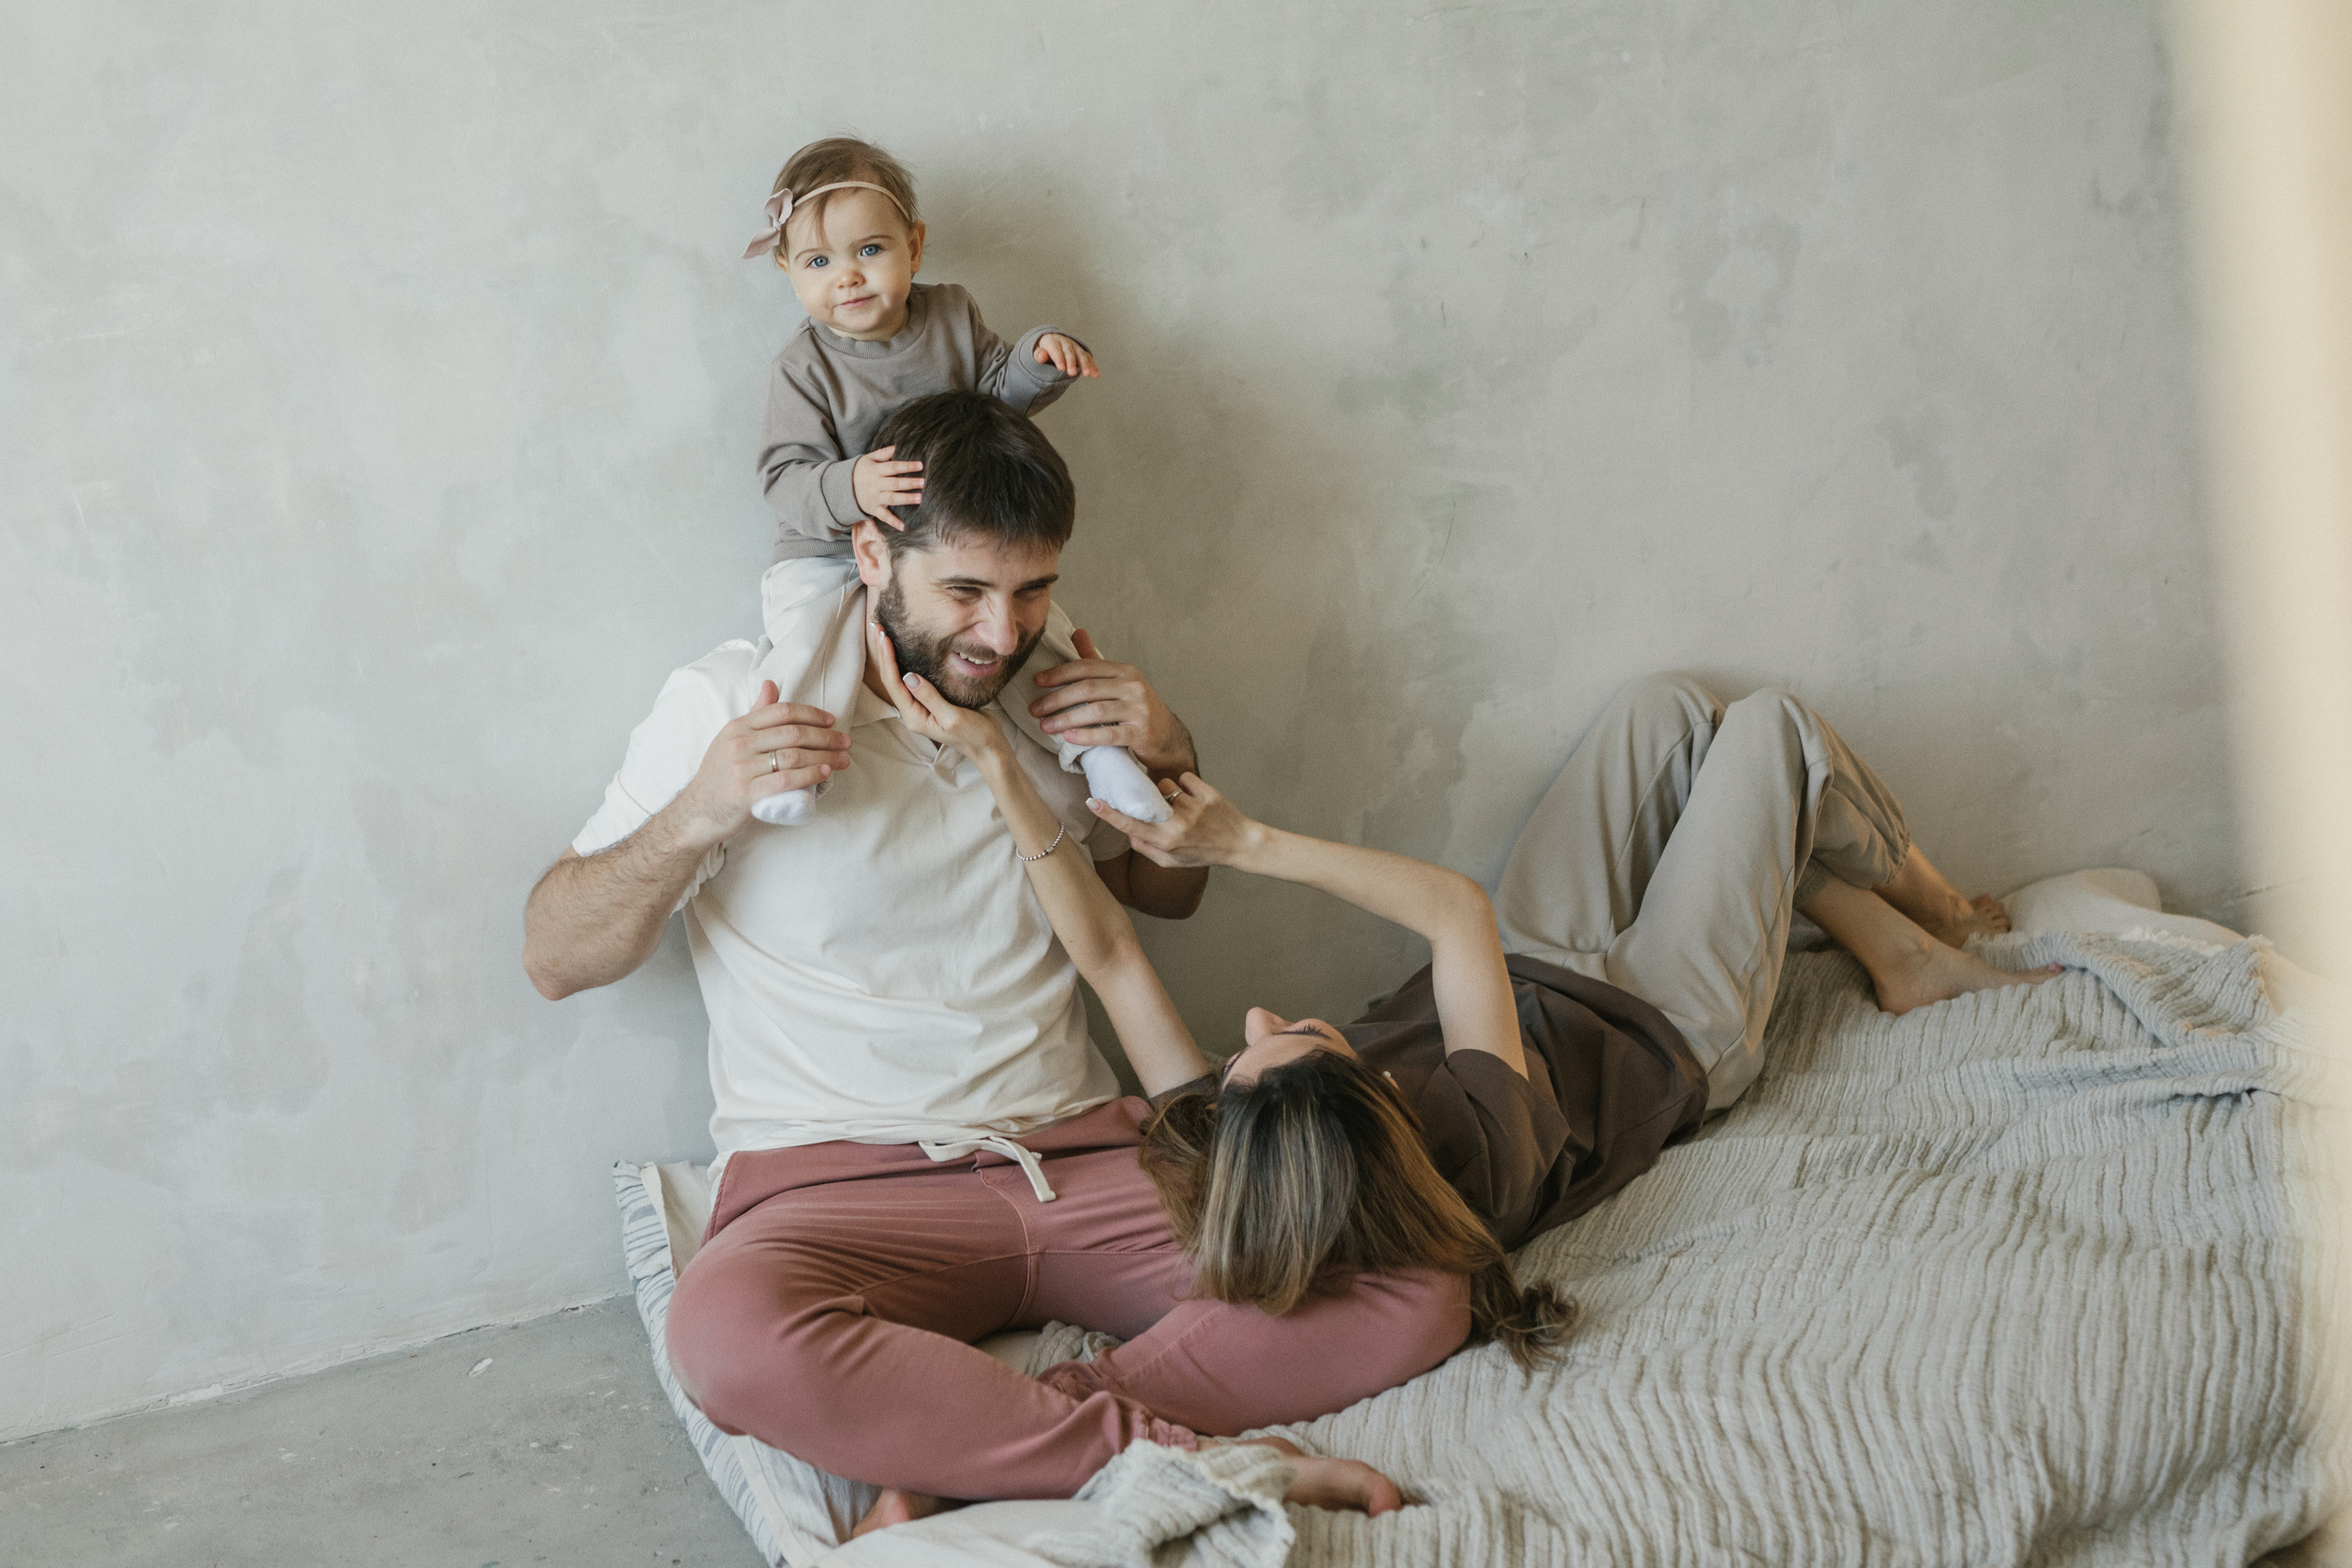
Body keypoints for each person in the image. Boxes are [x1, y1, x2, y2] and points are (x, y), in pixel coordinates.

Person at [521, 394, 1459, 1526]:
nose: (1001, 634)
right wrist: (698, 813)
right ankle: (1176, 1456)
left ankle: (990, 1441)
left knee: (1416, 1275)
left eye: (1031, 591)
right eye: (964, 591)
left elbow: (1159, 899)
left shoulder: (1049, 697)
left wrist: (1167, 753)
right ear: (872, 553)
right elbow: (554, 958)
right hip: (838, 1186)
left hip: (1084, 1156)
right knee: (722, 1340)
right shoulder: (731, 700)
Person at [887, 664, 2063, 1443]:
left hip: (1531, 967)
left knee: (1666, 710)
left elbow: (1113, 962)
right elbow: (1454, 914)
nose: (1258, 1025)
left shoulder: (1253, 1139)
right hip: (1663, 1023)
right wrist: (1244, 842)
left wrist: (1000, 768)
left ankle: (1848, 909)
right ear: (1372, 1104)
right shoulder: (1479, 1161)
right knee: (1770, 729)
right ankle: (1940, 928)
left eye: (1248, 1053)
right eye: (1291, 1041)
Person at [739, 136, 1164, 827]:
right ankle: (793, 765)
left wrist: (1037, 358)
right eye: (819, 262)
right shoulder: (803, 367)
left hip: (956, 546)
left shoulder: (952, 316)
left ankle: (1102, 759)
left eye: (869, 250)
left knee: (1035, 636)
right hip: (832, 549)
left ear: (915, 244)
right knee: (812, 648)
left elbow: (998, 393)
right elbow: (784, 478)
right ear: (788, 269)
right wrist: (852, 487)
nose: (847, 277)